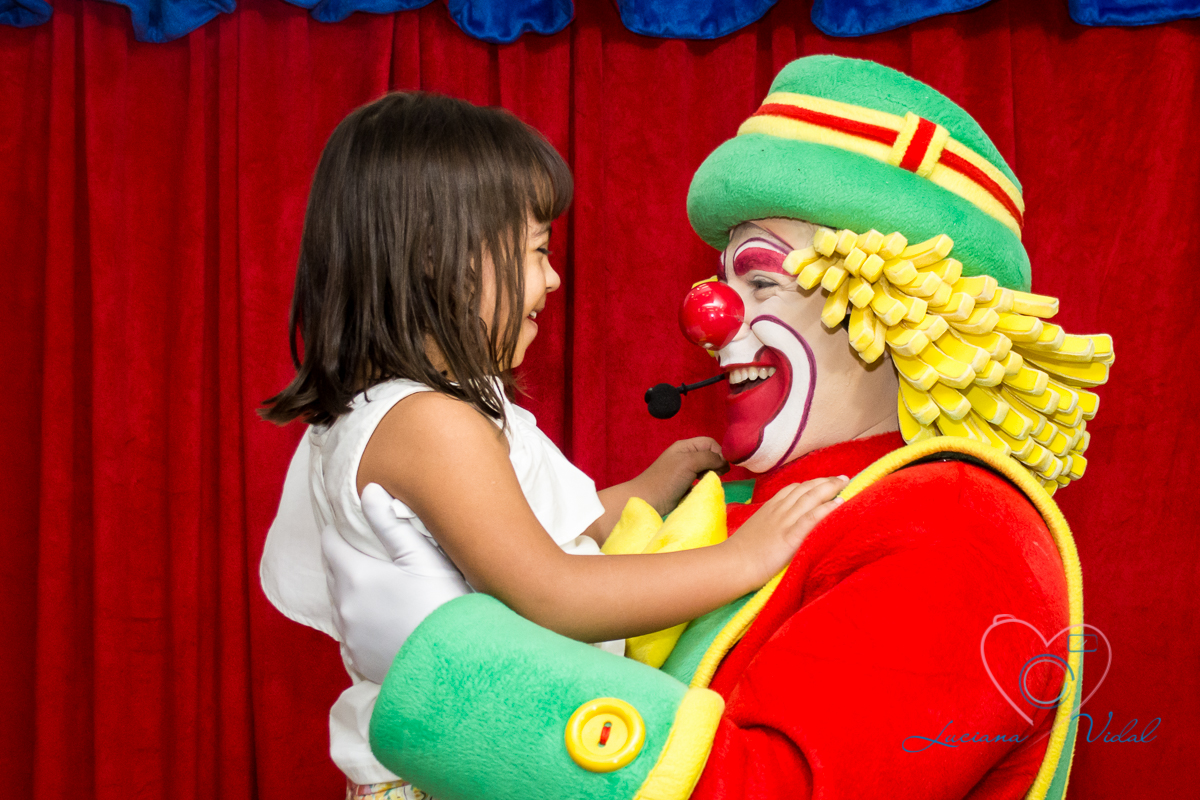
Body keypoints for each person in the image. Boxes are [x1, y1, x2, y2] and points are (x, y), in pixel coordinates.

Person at [362, 57, 1112, 800]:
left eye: (760, 280)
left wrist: (453, 688)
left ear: (892, 306)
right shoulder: (764, 511)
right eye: (719, 283)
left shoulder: (956, 530)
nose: (712, 321)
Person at [257, 91, 848, 796]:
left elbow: (556, 527)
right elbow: (553, 591)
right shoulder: (426, 424)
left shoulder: (441, 408)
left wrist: (656, 482)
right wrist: (744, 558)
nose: (553, 278)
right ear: (435, 256)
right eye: (537, 250)